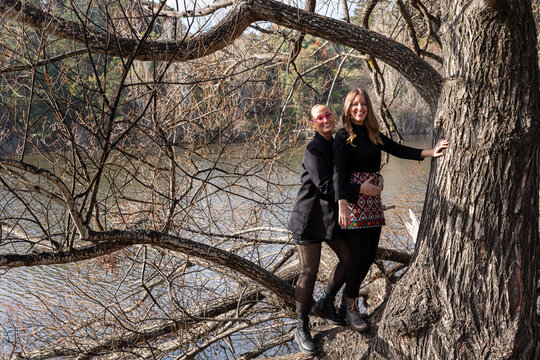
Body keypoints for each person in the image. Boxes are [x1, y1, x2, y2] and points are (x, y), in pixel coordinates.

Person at [333, 88, 449, 331]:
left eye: (364, 104)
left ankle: (346, 303)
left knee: (368, 255)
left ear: (369, 108)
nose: (360, 108)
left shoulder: (374, 134)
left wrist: (430, 152)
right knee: (357, 257)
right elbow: (338, 174)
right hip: (354, 204)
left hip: (373, 204)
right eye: (355, 105)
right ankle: (351, 309)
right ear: (348, 108)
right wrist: (345, 200)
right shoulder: (342, 137)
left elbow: (398, 149)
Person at [288, 104, 350, 355]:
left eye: (328, 115)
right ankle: (301, 326)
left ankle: (325, 303)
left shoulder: (335, 142)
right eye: (319, 118)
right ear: (313, 123)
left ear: (333, 116)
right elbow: (326, 186)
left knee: (350, 257)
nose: (325, 120)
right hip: (308, 219)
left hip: (328, 219)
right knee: (309, 271)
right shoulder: (313, 149)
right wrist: (357, 191)